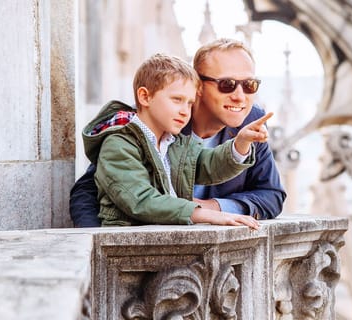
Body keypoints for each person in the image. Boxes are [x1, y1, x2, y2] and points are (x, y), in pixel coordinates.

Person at [71, 38, 286, 227]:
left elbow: (272, 195)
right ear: (198, 86)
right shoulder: (155, 120)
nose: (240, 97)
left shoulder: (251, 121)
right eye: (227, 84)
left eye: (249, 85)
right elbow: (90, 190)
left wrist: (215, 208)